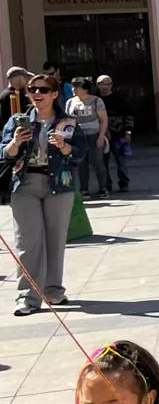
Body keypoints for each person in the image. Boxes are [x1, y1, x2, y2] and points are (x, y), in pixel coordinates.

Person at [7, 73, 87, 316]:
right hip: (25, 185)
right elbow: (5, 153)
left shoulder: (68, 122)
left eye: (43, 90)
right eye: (32, 90)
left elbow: (80, 154)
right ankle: (27, 297)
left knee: (55, 241)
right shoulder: (18, 121)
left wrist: (64, 147)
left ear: (54, 94)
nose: (37, 94)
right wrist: (14, 144)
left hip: (59, 185)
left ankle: (53, 290)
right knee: (27, 243)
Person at [67, 75, 110, 198]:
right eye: (73, 87)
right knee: (81, 164)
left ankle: (103, 187)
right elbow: (68, 120)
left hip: (93, 135)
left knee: (98, 162)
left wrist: (101, 136)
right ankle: (84, 189)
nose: (74, 89)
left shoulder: (96, 101)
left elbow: (103, 119)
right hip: (78, 136)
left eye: (77, 87)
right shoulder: (70, 102)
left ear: (85, 89)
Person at [97, 75, 133, 192]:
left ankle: (124, 183)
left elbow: (128, 115)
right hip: (102, 136)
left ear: (111, 85)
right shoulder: (96, 100)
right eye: (102, 84)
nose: (105, 87)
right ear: (98, 85)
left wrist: (128, 132)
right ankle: (106, 184)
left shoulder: (120, 99)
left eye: (108, 84)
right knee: (103, 162)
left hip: (119, 135)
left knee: (121, 161)